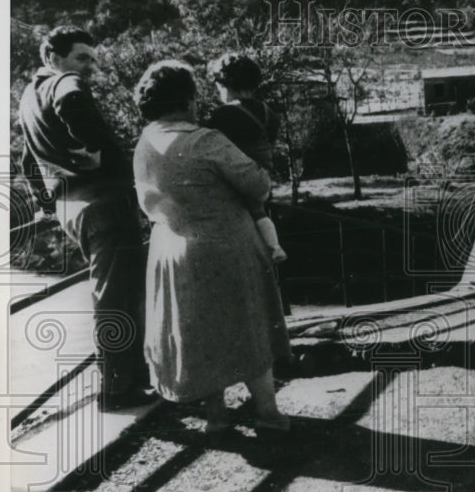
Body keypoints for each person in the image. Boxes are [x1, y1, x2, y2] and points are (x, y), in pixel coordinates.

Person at [132, 60, 290, 433]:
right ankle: (267, 412)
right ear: (188, 100)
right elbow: (258, 185)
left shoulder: (145, 143)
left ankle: (216, 415)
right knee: (249, 326)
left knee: (200, 332)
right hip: (226, 245)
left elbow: (146, 203)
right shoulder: (205, 140)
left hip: (171, 247)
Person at [19, 26, 151, 411]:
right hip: (105, 204)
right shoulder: (65, 81)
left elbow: (29, 161)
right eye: (81, 58)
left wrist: (45, 203)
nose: (88, 67)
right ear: (52, 57)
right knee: (115, 299)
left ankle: (132, 377)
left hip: (72, 209)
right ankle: (114, 389)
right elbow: (74, 100)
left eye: (92, 59)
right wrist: (94, 149)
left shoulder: (28, 97)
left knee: (116, 294)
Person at [204, 53, 286, 262]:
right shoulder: (268, 112)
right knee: (260, 213)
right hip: (264, 173)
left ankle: (273, 248)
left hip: (238, 178)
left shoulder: (224, 115)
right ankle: (272, 245)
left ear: (224, 85)